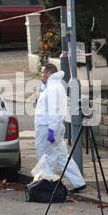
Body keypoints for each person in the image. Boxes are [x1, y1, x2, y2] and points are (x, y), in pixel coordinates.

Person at [34, 63, 86, 193]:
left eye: (42, 73)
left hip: (47, 127)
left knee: (46, 156)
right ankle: (78, 183)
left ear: (49, 73)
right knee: (62, 156)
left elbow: (54, 111)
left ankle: (47, 185)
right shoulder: (54, 86)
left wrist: (51, 130)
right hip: (53, 127)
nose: (41, 75)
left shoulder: (53, 88)